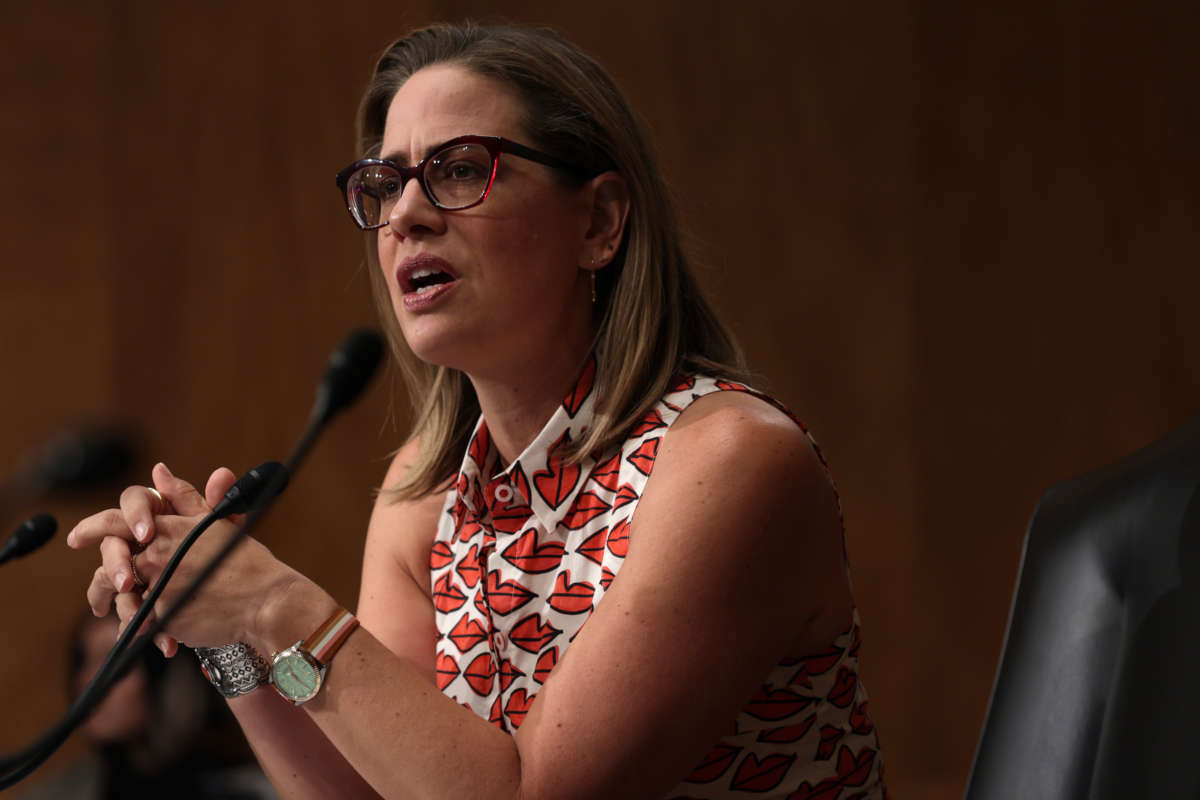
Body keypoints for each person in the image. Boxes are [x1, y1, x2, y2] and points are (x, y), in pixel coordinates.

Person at [68, 22, 886, 799]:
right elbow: (369, 791)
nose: (406, 216)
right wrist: (224, 626)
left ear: (599, 222)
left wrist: (278, 604)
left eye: (460, 170)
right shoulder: (424, 495)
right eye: (385, 184)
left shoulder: (729, 462)